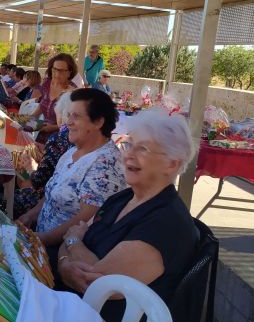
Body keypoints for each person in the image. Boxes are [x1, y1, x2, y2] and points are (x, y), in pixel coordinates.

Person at [56, 108, 198, 321]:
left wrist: (74, 243)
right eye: (128, 144)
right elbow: (70, 239)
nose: (128, 155)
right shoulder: (122, 198)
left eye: (142, 149)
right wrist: (64, 264)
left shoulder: (167, 224)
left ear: (172, 163)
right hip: (72, 303)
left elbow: (98, 284)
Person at [18, 88, 127, 248]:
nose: (68, 122)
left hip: (62, 253)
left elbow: (84, 219)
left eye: (76, 116)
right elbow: (52, 193)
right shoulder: (73, 151)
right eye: (69, 115)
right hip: (40, 241)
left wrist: (40, 241)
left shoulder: (105, 163)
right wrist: (29, 216)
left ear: (98, 122)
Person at [14, 92, 74, 218]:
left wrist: (31, 166)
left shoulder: (59, 138)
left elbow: (38, 180)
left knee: (19, 174)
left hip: (49, 199)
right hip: (61, 194)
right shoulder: (74, 137)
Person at [31, 54, 77, 141]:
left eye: (61, 71)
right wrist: (29, 118)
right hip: (42, 133)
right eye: (55, 69)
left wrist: (53, 127)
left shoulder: (72, 92)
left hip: (60, 139)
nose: (57, 74)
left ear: (69, 72)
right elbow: (43, 104)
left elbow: (73, 123)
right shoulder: (47, 83)